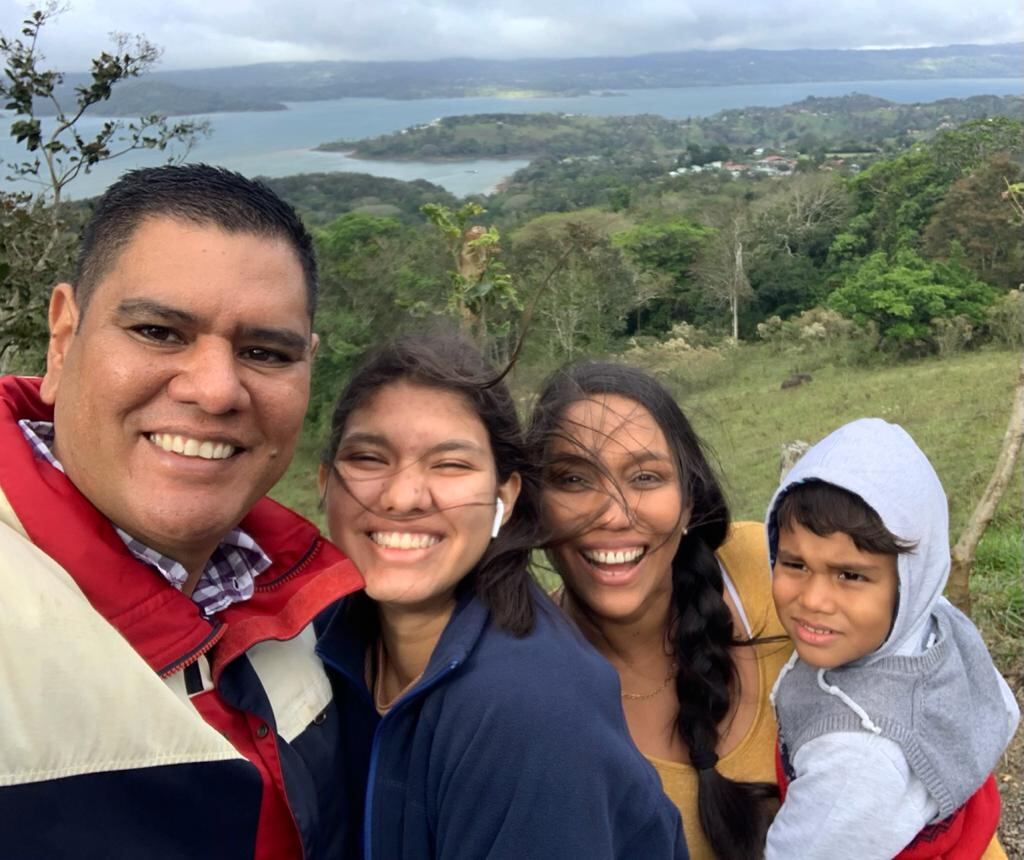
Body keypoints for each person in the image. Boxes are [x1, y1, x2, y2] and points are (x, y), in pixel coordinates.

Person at [0, 164, 364, 859]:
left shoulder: (309, 605)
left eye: (264, 352)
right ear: (63, 337)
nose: (217, 390)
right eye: (159, 332)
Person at [314, 333, 688, 859]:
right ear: (325, 481)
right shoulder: (314, 643)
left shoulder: (532, 711)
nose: (401, 497)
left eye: (450, 464)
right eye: (369, 458)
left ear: (505, 498)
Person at [529, 361, 791, 860]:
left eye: (646, 477)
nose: (614, 513)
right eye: (574, 479)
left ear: (689, 500)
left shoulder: (776, 571)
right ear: (533, 506)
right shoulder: (527, 688)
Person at [765, 418, 1019, 859]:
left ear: (910, 580)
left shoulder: (858, 756)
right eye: (795, 564)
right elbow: (1003, 708)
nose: (813, 599)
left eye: (850, 575)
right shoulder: (938, 619)